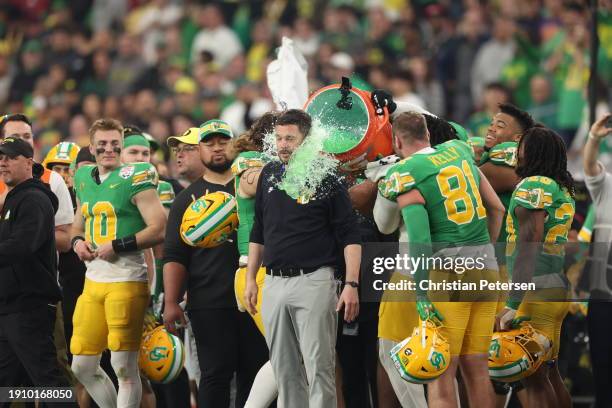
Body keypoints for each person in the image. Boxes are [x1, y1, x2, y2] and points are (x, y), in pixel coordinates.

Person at [378, 112, 503, 407]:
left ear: (396, 141)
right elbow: (496, 208)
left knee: (442, 374)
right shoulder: (458, 150)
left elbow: (420, 240)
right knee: (478, 371)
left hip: (448, 275)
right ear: (429, 135)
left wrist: (420, 293)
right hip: (485, 269)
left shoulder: (405, 172)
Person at [244, 109, 362, 408]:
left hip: (315, 280)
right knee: (283, 368)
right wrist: (250, 279)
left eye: (290, 139)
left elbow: (350, 235)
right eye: (279, 138)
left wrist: (351, 284)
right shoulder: (269, 173)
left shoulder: (326, 176)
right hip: (272, 281)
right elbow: (258, 229)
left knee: (319, 367)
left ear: (306, 140)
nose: (283, 144)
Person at [163, 119, 268, 408]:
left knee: (257, 371)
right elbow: (174, 254)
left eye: (223, 141)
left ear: (234, 145)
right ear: (200, 149)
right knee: (214, 376)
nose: (217, 148)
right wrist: (171, 301)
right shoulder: (186, 198)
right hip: (209, 300)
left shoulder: (253, 184)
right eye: (209, 143)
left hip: (255, 296)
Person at [70, 118, 167, 408]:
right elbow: (78, 223)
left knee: (124, 367)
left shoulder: (136, 175)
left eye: (115, 144)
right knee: (81, 365)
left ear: (122, 146)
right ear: (92, 147)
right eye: (102, 144)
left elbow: (158, 228)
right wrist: (77, 243)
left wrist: (118, 245)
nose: (109, 149)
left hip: (127, 279)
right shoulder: (84, 176)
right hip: (93, 280)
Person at [496, 126, 575, 408]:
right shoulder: (559, 187)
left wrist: (514, 302)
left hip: (534, 291)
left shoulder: (535, 185)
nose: (517, 151)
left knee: (534, 377)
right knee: (549, 374)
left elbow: (531, 238)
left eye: (523, 146)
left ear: (533, 152)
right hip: (553, 286)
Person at [0, 137, 65, 389]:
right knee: (7, 385)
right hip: (11, 306)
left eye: (11, 157)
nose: (3, 163)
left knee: (49, 383)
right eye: (1, 157)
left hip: (28, 308)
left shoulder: (33, 200)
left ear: (29, 162)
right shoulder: (15, 199)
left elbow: (22, 245)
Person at [581, 113, 612, 408]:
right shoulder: (607, 188)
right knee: (602, 369)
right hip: (604, 298)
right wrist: (593, 138)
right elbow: (589, 166)